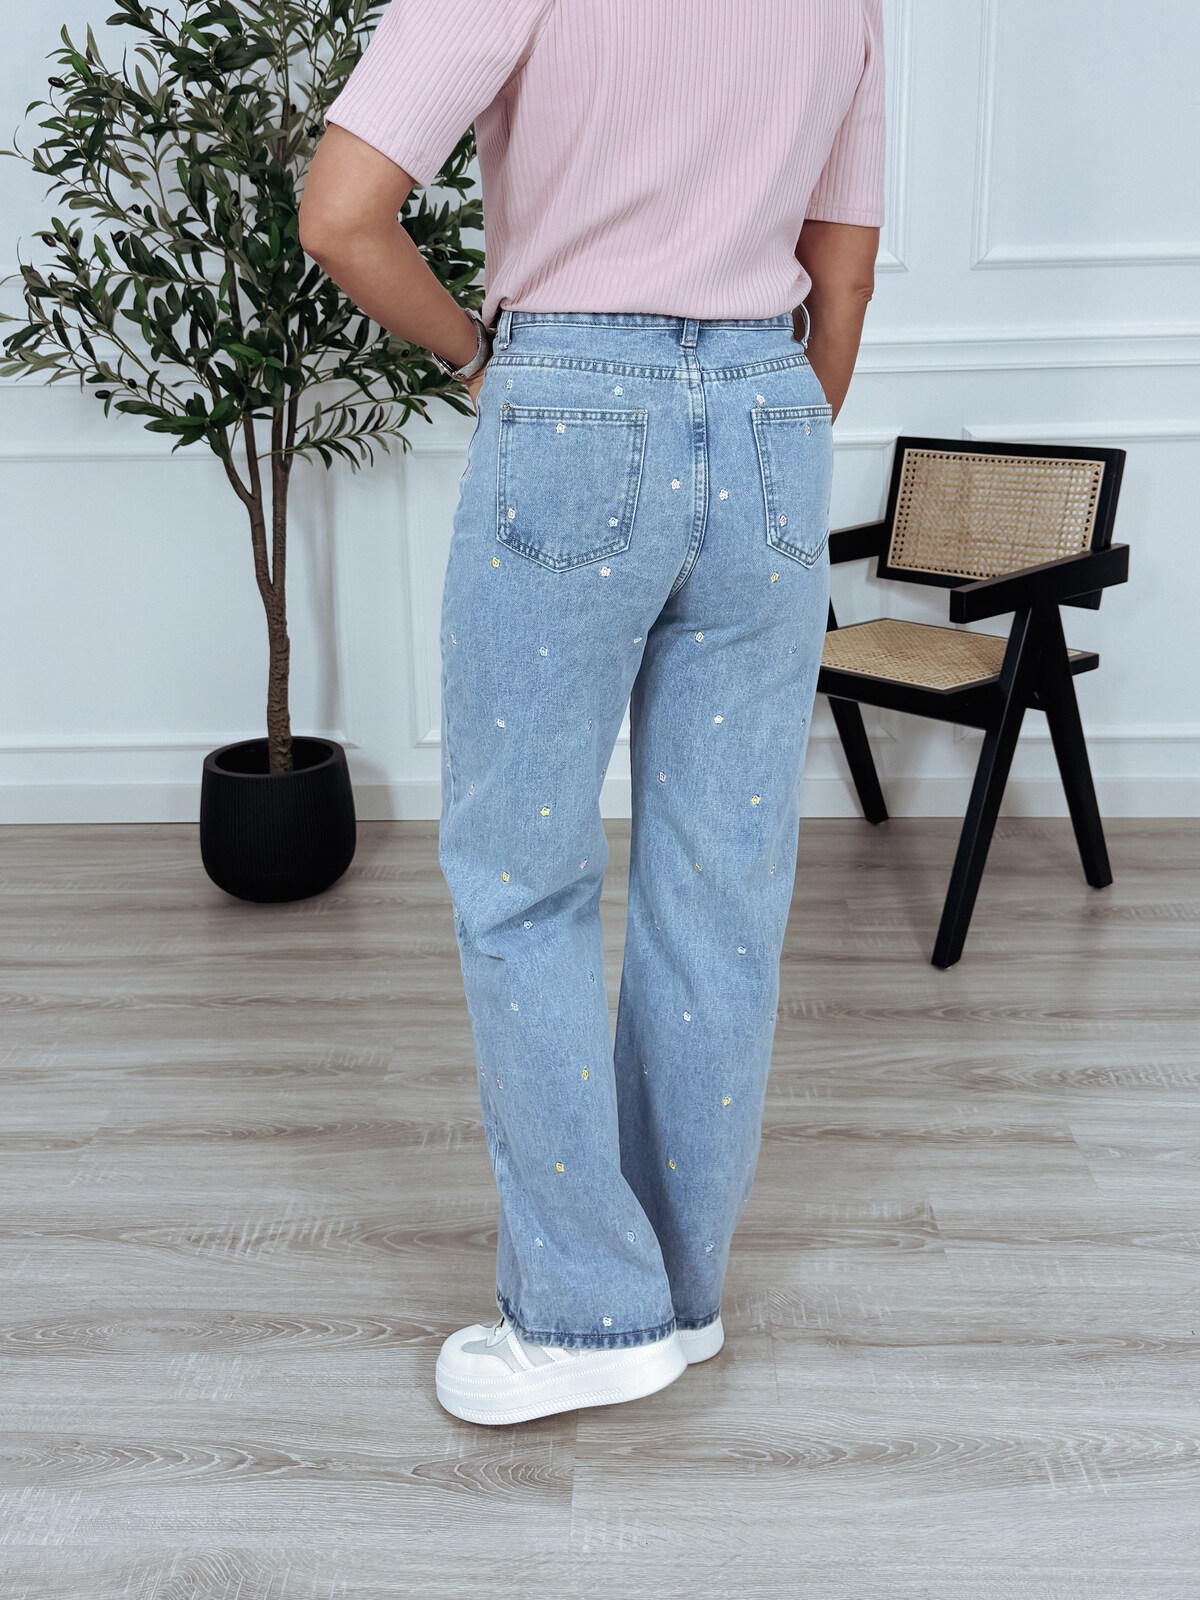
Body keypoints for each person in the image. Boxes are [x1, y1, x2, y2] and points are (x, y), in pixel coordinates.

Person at [299, 0, 885, 1427]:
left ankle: (585, 1315)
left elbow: (342, 216)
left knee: (522, 879)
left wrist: (482, 362)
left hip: (570, 393)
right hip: (772, 408)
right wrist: (773, 437)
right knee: (723, 887)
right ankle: (680, 1295)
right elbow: (845, 271)